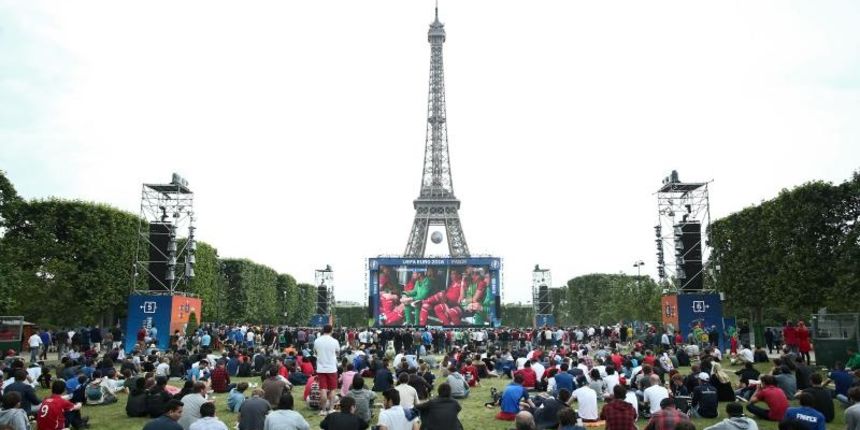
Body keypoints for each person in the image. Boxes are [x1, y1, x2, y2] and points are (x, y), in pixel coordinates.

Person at [313, 325, 340, 416]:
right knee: (333, 389)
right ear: (331, 330)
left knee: (323, 389)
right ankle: (331, 409)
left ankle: (323, 410)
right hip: (331, 367)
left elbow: (315, 352)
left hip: (321, 367)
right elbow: (338, 352)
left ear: (323, 330)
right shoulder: (334, 341)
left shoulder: (317, 341)